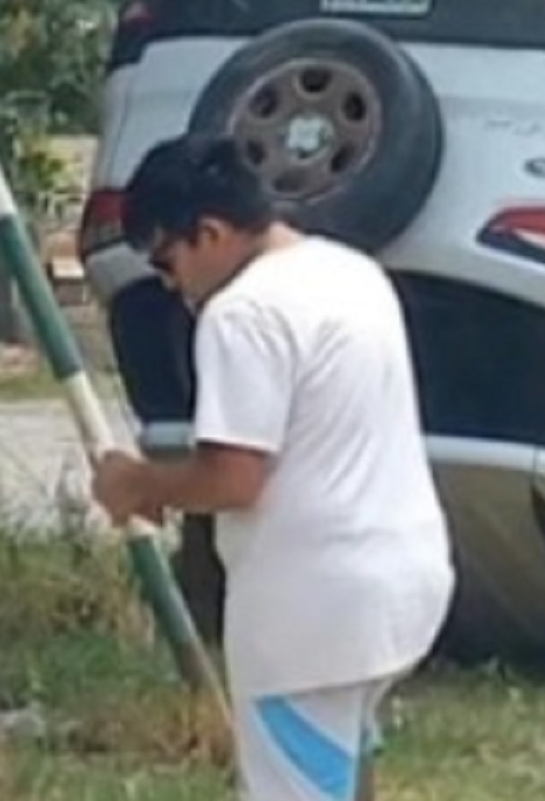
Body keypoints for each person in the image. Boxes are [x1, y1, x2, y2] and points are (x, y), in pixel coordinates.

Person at [89, 133, 454, 801]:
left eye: (166, 262)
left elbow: (234, 477)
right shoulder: (351, 272)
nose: (170, 286)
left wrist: (139, 484)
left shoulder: (242, 313)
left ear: (210, 233)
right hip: (405, 583)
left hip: (310, 615)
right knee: (343, 777)